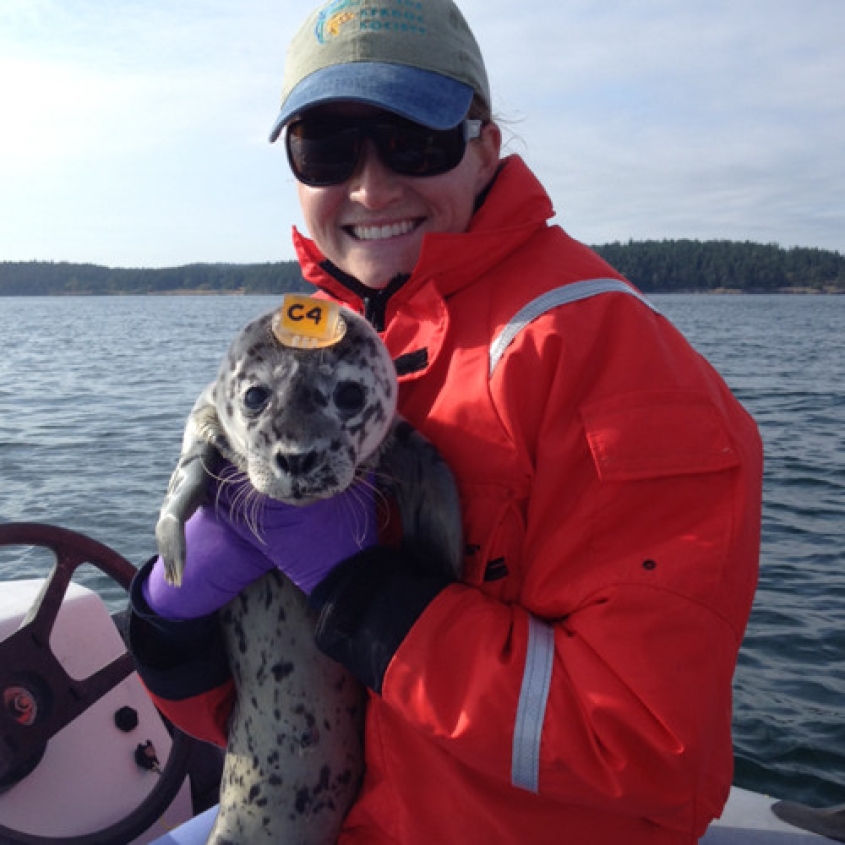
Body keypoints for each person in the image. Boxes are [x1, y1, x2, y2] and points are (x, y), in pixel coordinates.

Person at [127, 1, 763, 842]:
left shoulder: (606, 358)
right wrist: (173, 623)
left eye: (413, 140)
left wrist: (368, 600)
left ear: (484, 146)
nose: (370, 185)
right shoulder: (311, 345)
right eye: (327, 148)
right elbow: (245, 712)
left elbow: (647, 743)